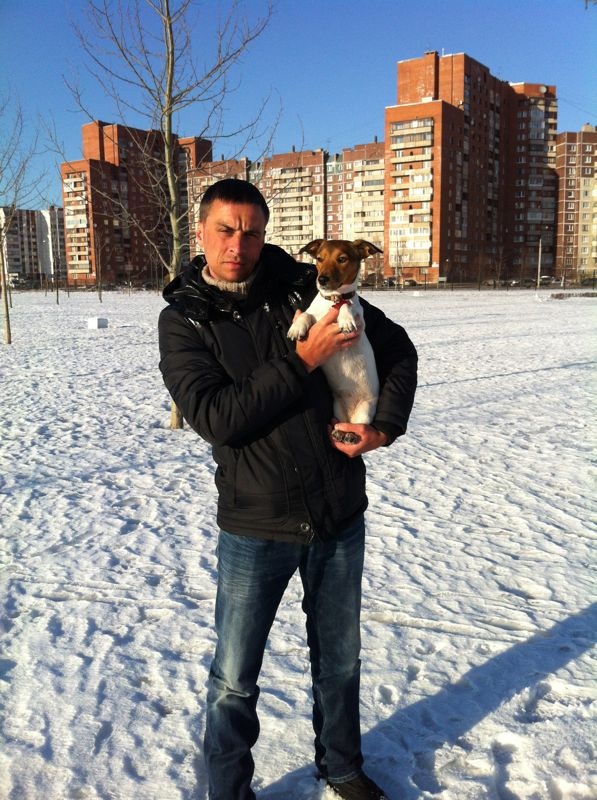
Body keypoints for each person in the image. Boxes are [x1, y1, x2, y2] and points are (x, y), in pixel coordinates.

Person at [158, 178, 417, 800]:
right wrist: (303, 360)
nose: (238, 245)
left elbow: (398, 350)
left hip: (336, 510)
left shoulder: (306, 285)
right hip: (256, 522)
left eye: (251, 232)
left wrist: (382, 427)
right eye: (225, 230)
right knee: (234, 678)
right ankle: (229, 791)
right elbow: (216, 417)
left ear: (265, 235)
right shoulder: (183, 319)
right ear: (201, 233)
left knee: (340, 662)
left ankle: (343, 767)